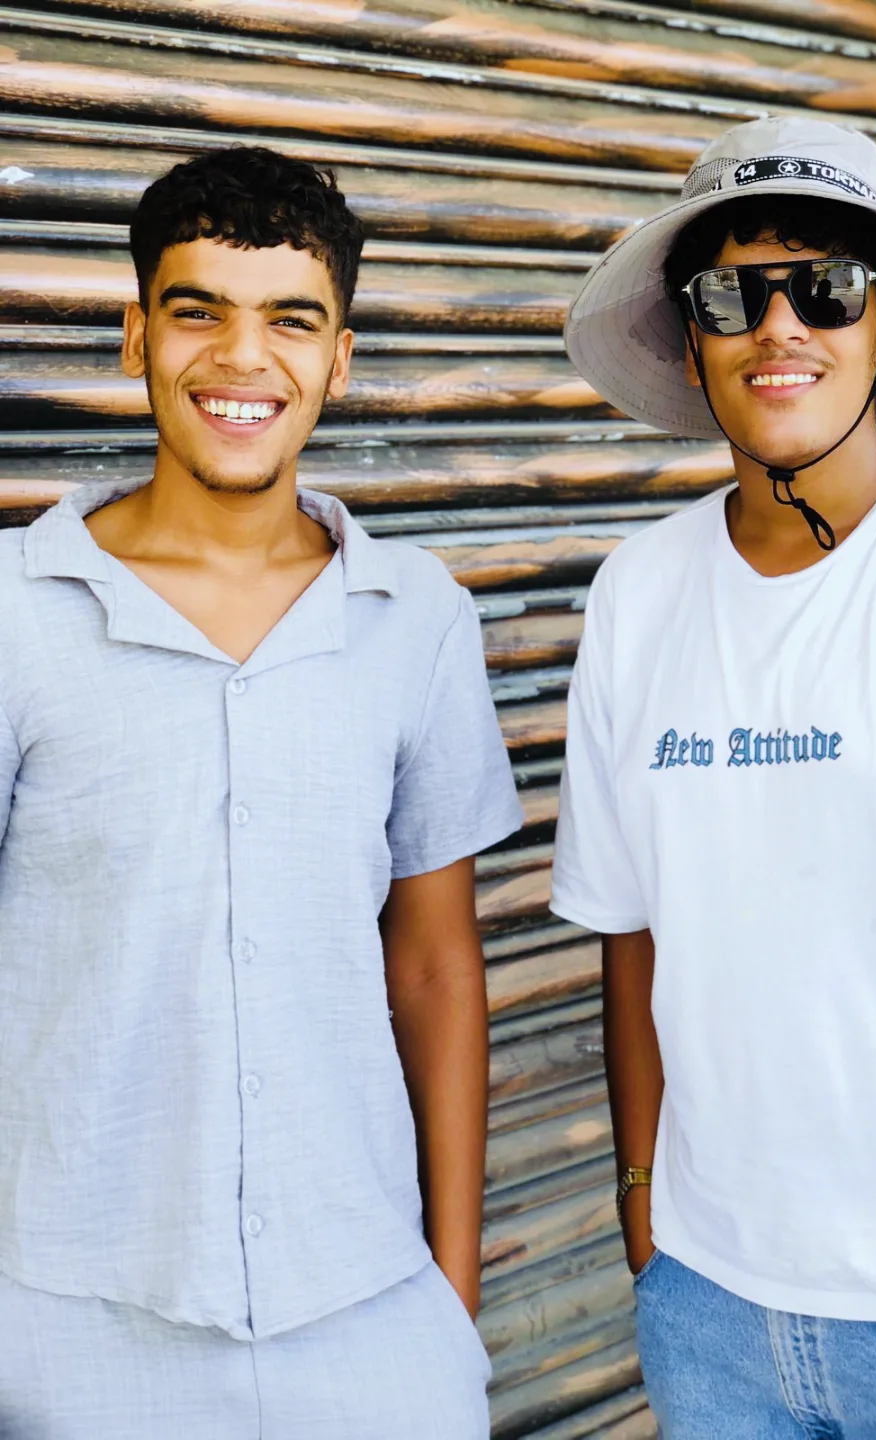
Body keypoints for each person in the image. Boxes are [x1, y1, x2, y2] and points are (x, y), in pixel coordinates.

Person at [550, 115, 876, 1437]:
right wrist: (644, 1220)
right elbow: (631, 932)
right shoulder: (637, 593)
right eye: (732, 295)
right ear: (691, 337)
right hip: (712, 1316)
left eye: (827, 287)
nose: (778, 326)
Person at [0, 146, 521, 1438]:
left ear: (340, 359)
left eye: (291, 319)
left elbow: (436, 966)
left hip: (371, 1308)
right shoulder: (14, 615)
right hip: (67, 1319)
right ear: (137, 337)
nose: (243, 357)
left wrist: (450, 1296)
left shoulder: (417, 616)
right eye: (199, 311)